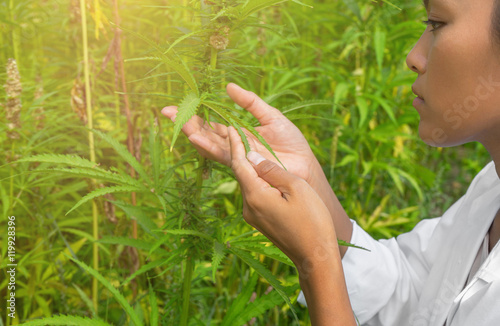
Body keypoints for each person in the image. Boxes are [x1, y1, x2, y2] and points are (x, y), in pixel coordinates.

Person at [161, 0, 500, 324]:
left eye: (437, 23)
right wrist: (308, 180)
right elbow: (413, 294)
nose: (413, 57)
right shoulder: (490, 189)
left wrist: (316, 264)